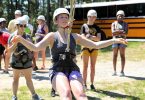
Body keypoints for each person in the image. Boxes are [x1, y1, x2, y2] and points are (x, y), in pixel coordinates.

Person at [11, 8, 127, 100]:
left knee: (81, 96)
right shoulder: (52, 36)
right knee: (66, 94)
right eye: (61, 17)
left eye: (66, 17)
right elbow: (35, 48)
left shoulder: (75, 36)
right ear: (56, 20)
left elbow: (95, 45)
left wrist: (114, 40)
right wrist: (21, 39)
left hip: (73, 69)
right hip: (57, 70)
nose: (64, 18)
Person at [8, 17, 41, 100]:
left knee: (29, 79)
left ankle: (34, 95)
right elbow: (9, 51)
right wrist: (16, 42)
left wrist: (26, 42)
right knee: (15, 79)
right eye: (21, 26)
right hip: (16, 60)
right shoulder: (12, 36)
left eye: (24, 26)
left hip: (27, 60)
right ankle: (14, 96)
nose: (23, 28)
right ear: (17, 26)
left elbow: (32, 48)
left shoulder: (28, 36)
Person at [80, 9, 101, 91]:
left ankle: (92, 84)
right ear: (88, 17)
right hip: (85, 48)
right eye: (90, 17)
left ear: (95, 18)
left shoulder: (97, 27)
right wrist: (89, 37)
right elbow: (82, 37)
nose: (92, 18)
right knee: (85, 67)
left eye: (94, 17)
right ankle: (84, 84)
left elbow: (98, 39)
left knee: (93, 66)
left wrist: (90, 37)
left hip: (94, 48)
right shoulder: (84, 26)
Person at [111, 10, 128, 76]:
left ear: (123, 17)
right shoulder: (113, 23)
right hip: (115, 40)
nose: (120, 17)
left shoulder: (125, 24)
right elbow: (113, 33)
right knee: (114, 55)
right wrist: (121, 31)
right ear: (116, 16)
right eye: (119, 15)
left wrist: (117, 31)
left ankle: (122, 71)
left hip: (122, 41)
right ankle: (114, 71)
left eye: (122, 16)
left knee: (122, 55)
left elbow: (126, 33)